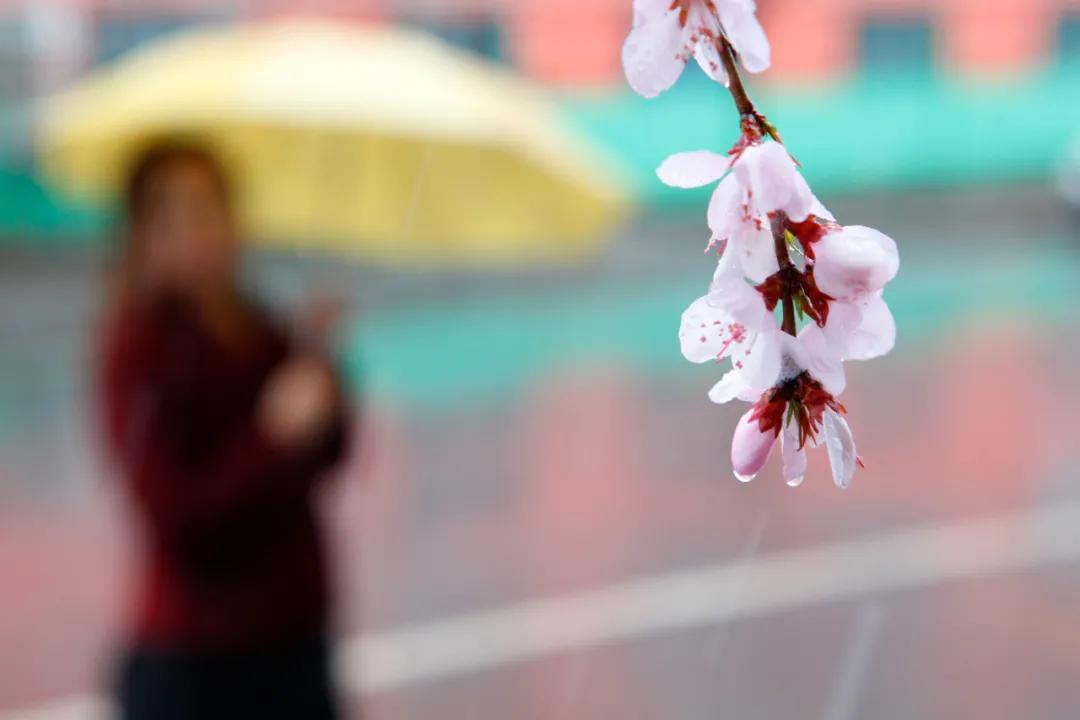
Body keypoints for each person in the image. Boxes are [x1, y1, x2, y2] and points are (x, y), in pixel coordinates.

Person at [98, 141, 352, 719]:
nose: (203, 231)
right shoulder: (139, 351)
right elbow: (177, 512)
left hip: (292, 643)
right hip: (196, 662)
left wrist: (323, 371)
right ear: (144, 236)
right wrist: (272, 432)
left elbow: (326, 457)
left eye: (212, 208)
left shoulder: (257, 329)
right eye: (179, 215)